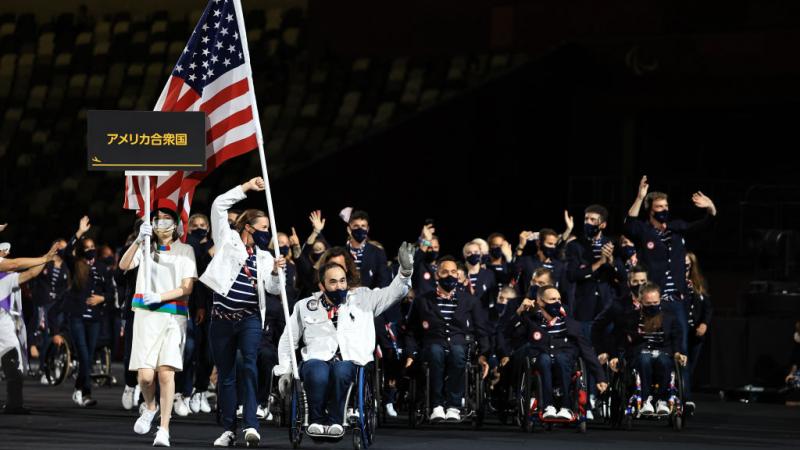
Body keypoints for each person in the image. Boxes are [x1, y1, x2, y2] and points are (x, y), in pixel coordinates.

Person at [274, 242, 415, 438]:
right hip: (316, 358)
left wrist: (405, 271)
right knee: (317, 371)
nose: (339, 286)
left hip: (350, 360)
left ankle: (334, 421)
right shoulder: (304, 306)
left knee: (341, 371)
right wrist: (286, 369)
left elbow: (394, 292)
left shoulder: (364, 298)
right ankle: (316, 421)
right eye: (333, 282)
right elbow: (288, 339)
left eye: (342, 281)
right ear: (322, 285)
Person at [197, 177, 285, 448]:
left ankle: (251, 425)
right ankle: (228, 429)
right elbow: (218, 204)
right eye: (263, 228)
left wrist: (274, 272)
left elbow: (272, 289)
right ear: (248, 227)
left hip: (249, 318)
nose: (266, 233)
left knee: (249, 366)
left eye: (268, 229)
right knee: (226, 375)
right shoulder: (227, 239)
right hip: (221, 319)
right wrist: (246, 188)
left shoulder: (265, 256)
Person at [119, 201, 198, 447]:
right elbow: (123, 266)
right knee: (144, 377)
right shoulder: (145, 248)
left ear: (175, 224)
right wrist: (137, 241)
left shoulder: (185, 250)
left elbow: (188, 287)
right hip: (145, 316)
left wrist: (161, 296)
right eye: (157, 218)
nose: (161, 222)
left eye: (166, 218)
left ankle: (164, 428)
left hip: (173, 316)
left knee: (165, 373)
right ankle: (150, 407)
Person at [404, 256, 491, 422]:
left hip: (460, 344)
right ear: (437, 275)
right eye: (445, 272)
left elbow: (482, 330)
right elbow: (411, 331)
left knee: (458, 353)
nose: (450, 276)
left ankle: (453, 406)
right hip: (432, 343)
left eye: (453, 272)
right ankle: (436, 405)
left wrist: (483, 355)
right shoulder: (422, 300)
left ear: (458, 276)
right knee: (436, 352)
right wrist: (410, 354)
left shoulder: (470, 301)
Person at [608, 283, 687, 416]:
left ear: (660, 300)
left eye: (655, 302)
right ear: (640, 301)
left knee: (664, 361)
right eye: (648, 303)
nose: (652, 306)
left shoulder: (669, 317)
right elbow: (618, 338)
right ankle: (645, 400)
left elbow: (676, 338)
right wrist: (615, 356)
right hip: (639, 353)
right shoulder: (630, 318)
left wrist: (678, 353)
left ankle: (662, 399)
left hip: (663, 351)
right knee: (644, 359)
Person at [61, 216, 116, 408]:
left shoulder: (102, 268)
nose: (90, 249)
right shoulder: (75, 264)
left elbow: (111, 292)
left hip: (94, 318)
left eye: (93, 246)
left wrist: (102, 299)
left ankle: (79, 389)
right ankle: (85, 393)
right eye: (87, 246)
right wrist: (79, 232)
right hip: (77, 315)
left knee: (89, 356)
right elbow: (66, 251)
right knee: (84, 355)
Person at [0, 242, 57, 414]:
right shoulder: (6, 276)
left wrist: (45, 259)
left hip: (5, 322)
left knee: (14, 365)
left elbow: (29, 272)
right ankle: (14, 404)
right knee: (14, 364)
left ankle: (14, 404)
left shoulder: (7, 278)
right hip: (2, 324)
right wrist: (44, 258)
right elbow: (17, 264)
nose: (6, 255)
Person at [683, 251, 712, 414]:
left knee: (691, 366)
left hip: (695, 331)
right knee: (682, 365)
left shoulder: (699, 282)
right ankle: (683, 397)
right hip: (681, 330)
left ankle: (685, 396)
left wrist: (704, 324)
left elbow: (708, 307)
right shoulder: (676, 280)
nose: (686, 266)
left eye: (689, 263)